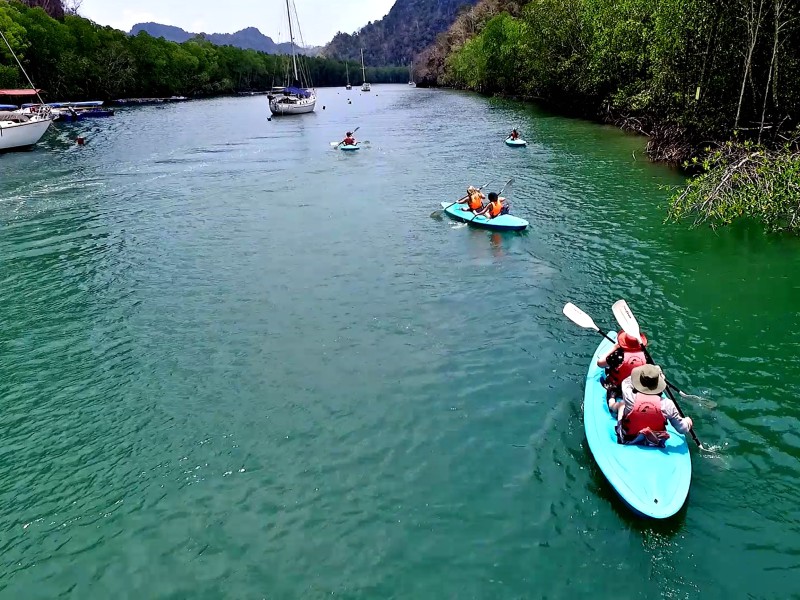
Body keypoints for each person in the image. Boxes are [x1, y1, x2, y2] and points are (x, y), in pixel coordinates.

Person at [609, 364, 694, 447]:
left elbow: (627, 381)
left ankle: (611, 402)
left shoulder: (629, 396)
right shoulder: (668, 405)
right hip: (655, 441)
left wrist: (641, 373)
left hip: (628, 438)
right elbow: (682, 429)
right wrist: (688, 422)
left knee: (622, 404)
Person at [598, 331, 648, 405]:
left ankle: (612, 402)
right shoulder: (645, 356)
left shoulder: (617, 355)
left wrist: (614, 348)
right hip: (635, 389)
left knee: (608, 369)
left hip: (616, 388)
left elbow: (600, 363)